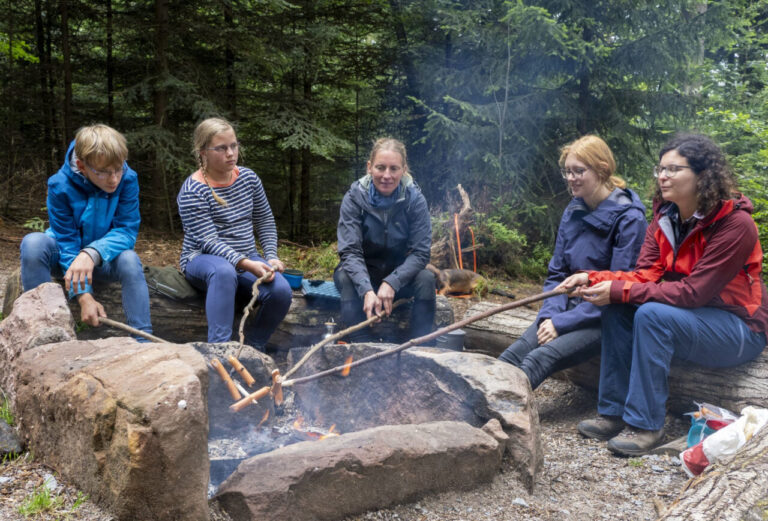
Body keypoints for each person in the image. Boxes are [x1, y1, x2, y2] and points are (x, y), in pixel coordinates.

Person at [561, 133, 768, 456]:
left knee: (650, 313)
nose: (662, 176)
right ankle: (612, 412)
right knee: (618, 307)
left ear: (703, 175)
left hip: (739, 328)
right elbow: (645, 275)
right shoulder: (666, 217)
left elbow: (693, 292)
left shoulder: (735, 225)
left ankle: (646, 425)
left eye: (673, 169)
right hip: (690, 317)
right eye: (660, 169)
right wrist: (593, 277)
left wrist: (620, 290)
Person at [498, 135, 648, 389]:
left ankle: (503, 416)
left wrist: (561, 323)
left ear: (602, 170)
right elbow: (557, 273)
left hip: (602, 319)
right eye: (567, 171)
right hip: (563, 310)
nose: (571, 178)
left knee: (536, 359)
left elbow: (617, 289)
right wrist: (550, 315)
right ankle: (470, 413)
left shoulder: (629, 220)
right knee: (510, 357)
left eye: (579, 171)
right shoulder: (573, 210)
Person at [20, 124, 153, 340]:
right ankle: (43, 334)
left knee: (129, 258)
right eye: (103, 172)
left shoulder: (128, 179)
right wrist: (84, 296)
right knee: (34, 243)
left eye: (118, 169)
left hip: (105, 259)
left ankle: (143, 339)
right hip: (65, 257)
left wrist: (92, 253)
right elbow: (66, 242)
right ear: (82, 166)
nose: (114, 179)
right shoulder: (59, 185)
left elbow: (126, 231)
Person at [177, 117, 291, 348]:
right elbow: (208, 242)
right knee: (223, 271)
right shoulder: (193, 190)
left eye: (234, 145)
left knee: (281, 291)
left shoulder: (248, 178)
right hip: (201, 260)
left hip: (247, 255)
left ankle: (252, 349)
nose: (230, 153)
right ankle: (219, 350)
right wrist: (246, 263)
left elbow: (265, 219)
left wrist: (270, 255)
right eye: (221, 148)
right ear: (203, 152)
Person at [335, 137, 435, 342]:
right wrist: (366, 290)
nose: (386, 176)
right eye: (380, 168)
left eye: (394, 168)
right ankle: (360, 343)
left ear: (404, 169)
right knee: (345, 275)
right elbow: (349, 251)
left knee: (426, 279)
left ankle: (421, 346)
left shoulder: (414, 200)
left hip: (398, 276)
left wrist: (392, 282)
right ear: (369, 167)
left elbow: (421, 253)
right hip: (362, 274)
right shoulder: (354, 198)